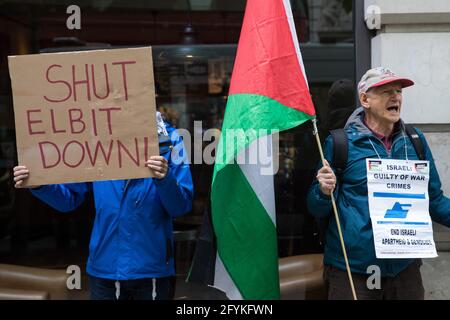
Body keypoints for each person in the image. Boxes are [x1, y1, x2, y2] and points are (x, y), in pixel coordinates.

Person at [13, 112, 193, 300]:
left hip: (151, 268)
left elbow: (181, 206)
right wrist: (39, 185)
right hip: (104, 268)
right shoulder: (96, 142)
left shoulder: (170, 140)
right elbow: (69, 199)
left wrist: (165, 178)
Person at [307, 67, 450, 300]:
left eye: (398, 91)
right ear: (365, 99)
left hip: (405, 270)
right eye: (386, 92)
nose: (396, 97)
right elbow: (316, 206)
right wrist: (323, 191)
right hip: (353, 271)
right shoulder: (340, 143)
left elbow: (434, 201)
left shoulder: (415, 141)